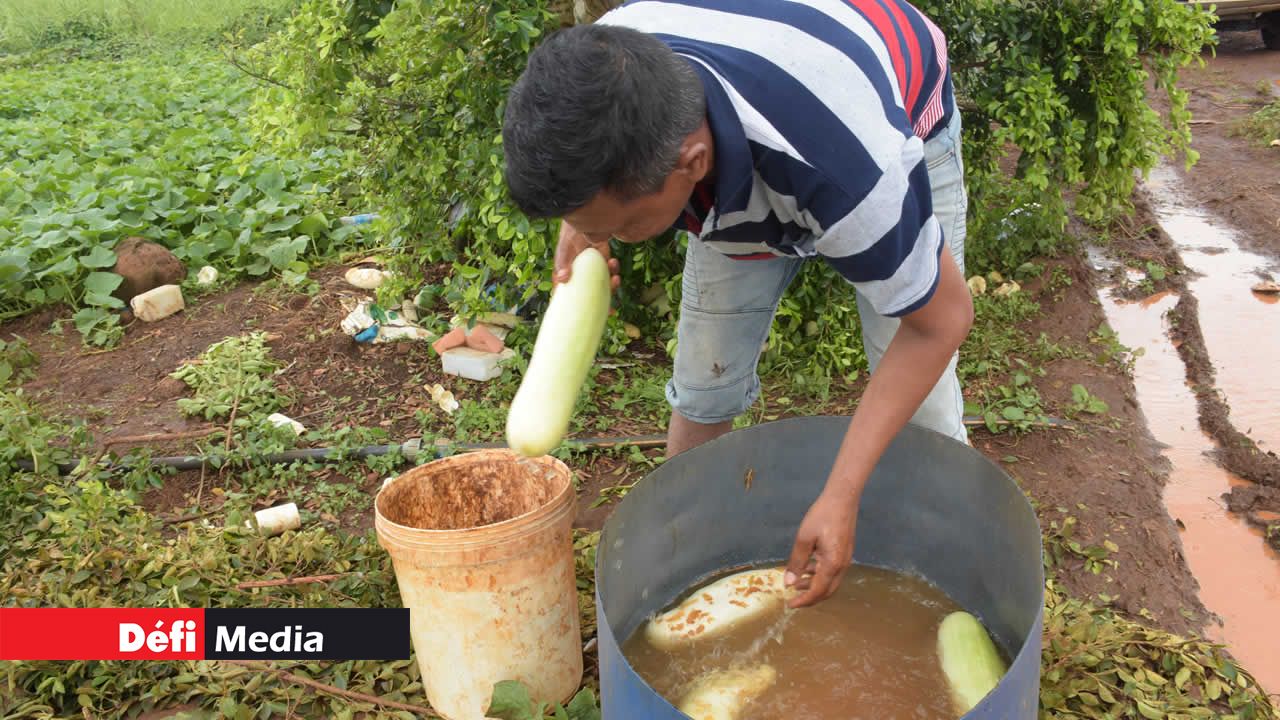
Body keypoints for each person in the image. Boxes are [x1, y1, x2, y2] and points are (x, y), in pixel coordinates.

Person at [501, 0, 974, 609]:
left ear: (691, 165)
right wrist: (586, 223)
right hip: (754, 127)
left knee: (920, 413)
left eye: (621, 225)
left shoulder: (853, 169)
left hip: (887, 111)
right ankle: (686, 569)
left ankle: (954, 580)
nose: (608, 237)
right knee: (705, 378)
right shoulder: (610, 62)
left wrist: (841, 494)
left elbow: (941, 323)